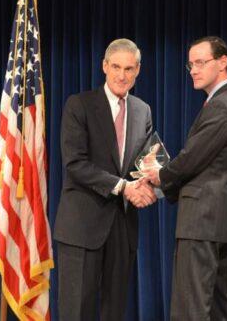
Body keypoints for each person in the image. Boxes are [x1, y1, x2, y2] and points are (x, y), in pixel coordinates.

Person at [143, 36, 227, 320]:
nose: (193, 70)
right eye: (190, 64)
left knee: (190, 309)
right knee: (223, 307)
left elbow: (192, 158)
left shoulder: (222, 106)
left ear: (223, 62)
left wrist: (159, 175)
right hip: (222, 223)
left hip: (202, 223)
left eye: (200, 63)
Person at [54, 38, 157, 321]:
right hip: (82, 227)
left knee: (114, 313)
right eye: (115, 67)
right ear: (104, 66)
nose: (122, 75)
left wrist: (149, 178)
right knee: (77, 313)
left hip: (122, 229)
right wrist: (124, 187)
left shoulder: (142, 110)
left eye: (128, 68)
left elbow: (143, 163)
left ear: (138, 70)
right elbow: (75, 164)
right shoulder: (79, 105)